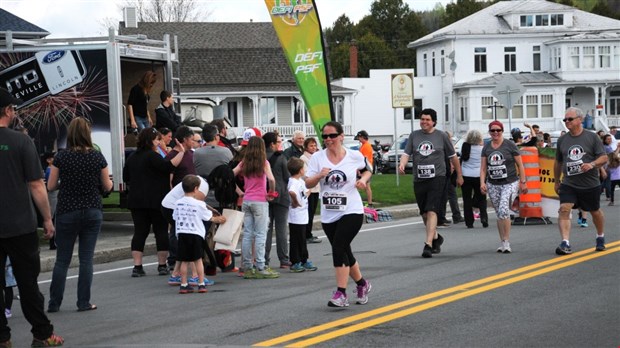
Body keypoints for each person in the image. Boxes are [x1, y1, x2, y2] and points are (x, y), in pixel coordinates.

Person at [0, 89, 64, 347]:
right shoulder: (21, 141)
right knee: (28, 284)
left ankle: (3, 338)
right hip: (20, 225)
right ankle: (42, 333)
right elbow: (37, 185)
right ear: (7, 111)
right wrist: (47, 219)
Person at [46, 117, 113, 313]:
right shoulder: (97, 157)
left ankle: (54, 303)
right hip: (92, 209)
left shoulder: (61, 157)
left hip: (67, 209)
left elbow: (50, 186)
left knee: (62, 260)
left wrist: (65, 183)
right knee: (86, 259)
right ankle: (83, 302)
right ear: (88, 134)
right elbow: (107, 186)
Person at [306, 121, 372, 308]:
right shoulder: (317, 158)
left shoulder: (354, 155)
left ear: (341, 136)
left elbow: (368, 170)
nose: (328, 140)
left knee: (338, 247)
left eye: (332, 136)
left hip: (351, 210)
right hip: (329, 213)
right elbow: (307, 184)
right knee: (344, 251)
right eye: (324, 136)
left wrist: (363, 180)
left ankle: (341, 293)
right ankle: (362, 284)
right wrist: (319, 176)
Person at [398, 108, 463, 258]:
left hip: (438, 178)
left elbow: (453, 157)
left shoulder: (441, 136)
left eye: (427, 119)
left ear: (434, 121)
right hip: (419, 178)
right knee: (424, 213)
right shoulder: (414, 136)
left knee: (432, 210)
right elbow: (406, 154)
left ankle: (428, 244)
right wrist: (402, 164)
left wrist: (459, 175)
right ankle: (436, 237)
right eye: (422, 119)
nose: (424, 122)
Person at [123, 127, 186, 277]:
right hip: (157, 200)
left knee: (139, 232)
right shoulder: (153, 156)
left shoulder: (132, 157)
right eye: (157, 139)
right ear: (151, 140)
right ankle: (162, 265)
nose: (159, 142)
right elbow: (168, 167)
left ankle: (137, 266)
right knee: (161, 231)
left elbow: (126, 177)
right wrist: (181, 152)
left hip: (137, 200)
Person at [554, 107, 608, 255]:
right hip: (569, 183)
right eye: (565, 119)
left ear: (580, 119)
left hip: (590, 184)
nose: (566, 122)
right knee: (564, 208)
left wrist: (591, 164)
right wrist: (556, 181)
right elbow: (558, 162)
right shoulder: (562, 140)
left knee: (595, 211)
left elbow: (604, 158)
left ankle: (600, 236)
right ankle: (565, 242)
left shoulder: (592, 137)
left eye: (569, 119)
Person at [233, 136, 279, 279]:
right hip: (260, 200)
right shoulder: (264, 163)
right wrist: (271, 192)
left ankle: (247, 266)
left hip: (246, 200)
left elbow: (230, 175)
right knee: (260, 234)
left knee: (247, 234)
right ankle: (260, 265)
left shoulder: (244, 162)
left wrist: (240, 192)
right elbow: (271, 179)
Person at [173, 175, 226, 294]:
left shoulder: (178, 203)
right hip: (196, 234)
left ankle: (184, 284)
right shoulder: (199, 204)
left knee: (184, 261)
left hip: (182, 234)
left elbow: (174, 217)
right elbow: (209, 217)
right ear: (196, 189)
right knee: (198, 260)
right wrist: (220, 219)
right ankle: (201, 284)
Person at [480, 120, 527, 253]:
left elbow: (520, 165)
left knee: (503, 210)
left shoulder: (510, 145)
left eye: (498, 130)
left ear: (502, 131)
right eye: (493, 130)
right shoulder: (487, 147)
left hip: (510, 182)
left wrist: (523, 182)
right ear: (489, 132)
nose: (495, 133)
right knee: (499, 213)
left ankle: (506, 242)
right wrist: (482, 183)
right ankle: (502, 242)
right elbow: (483, 168)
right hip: (493, 184)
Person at [263, 132, 291, 269]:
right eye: (278, 142)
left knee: (266, 229)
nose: (280, 144)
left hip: (264, 196)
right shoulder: (280, 158)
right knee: (281, 229)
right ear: (272, 144)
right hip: (281, 196)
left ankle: (265, 259)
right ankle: (284, 259)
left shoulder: (260, 158)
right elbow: (287, 176)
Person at [287, 157, 318, 273]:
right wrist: (295, 202)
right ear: (300, 170)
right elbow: (292, 192)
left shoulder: (300, 181)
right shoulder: (293, 182)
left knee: (302, 238)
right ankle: (296, 261)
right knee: (296, 238)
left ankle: (304, 259)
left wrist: (307, 192)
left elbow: (305, 192)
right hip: (296, 215)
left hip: (302, 214)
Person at [460, 130, 488, 229]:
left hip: (466, 175)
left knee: (466, 199)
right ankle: (484, 217)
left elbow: (462, 159)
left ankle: (469, 222)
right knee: (481, 198)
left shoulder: (466, 147)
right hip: (479, 176)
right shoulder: (483, 149)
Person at [300, 137, 321, 244]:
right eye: (311, 146)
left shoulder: (316, 157)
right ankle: (306, 234)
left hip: (316, 188)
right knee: (308, 212)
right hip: (309, 189)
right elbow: (305, 174)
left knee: (312, 212)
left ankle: (309, 233)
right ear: (306, 147)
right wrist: (318, 174)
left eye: (314, 145)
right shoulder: (304, 158)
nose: (313, 147)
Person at [356, 130, 374, 207]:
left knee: (365, 186)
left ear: (363, 137)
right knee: (365, 186)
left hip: (365, 168)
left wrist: (360, 170)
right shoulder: (364, 145)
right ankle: (369, 203)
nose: (358, 139)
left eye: (359, 137)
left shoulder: (366, 146)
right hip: (365, 168)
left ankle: (369, 203)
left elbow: (365, 159)